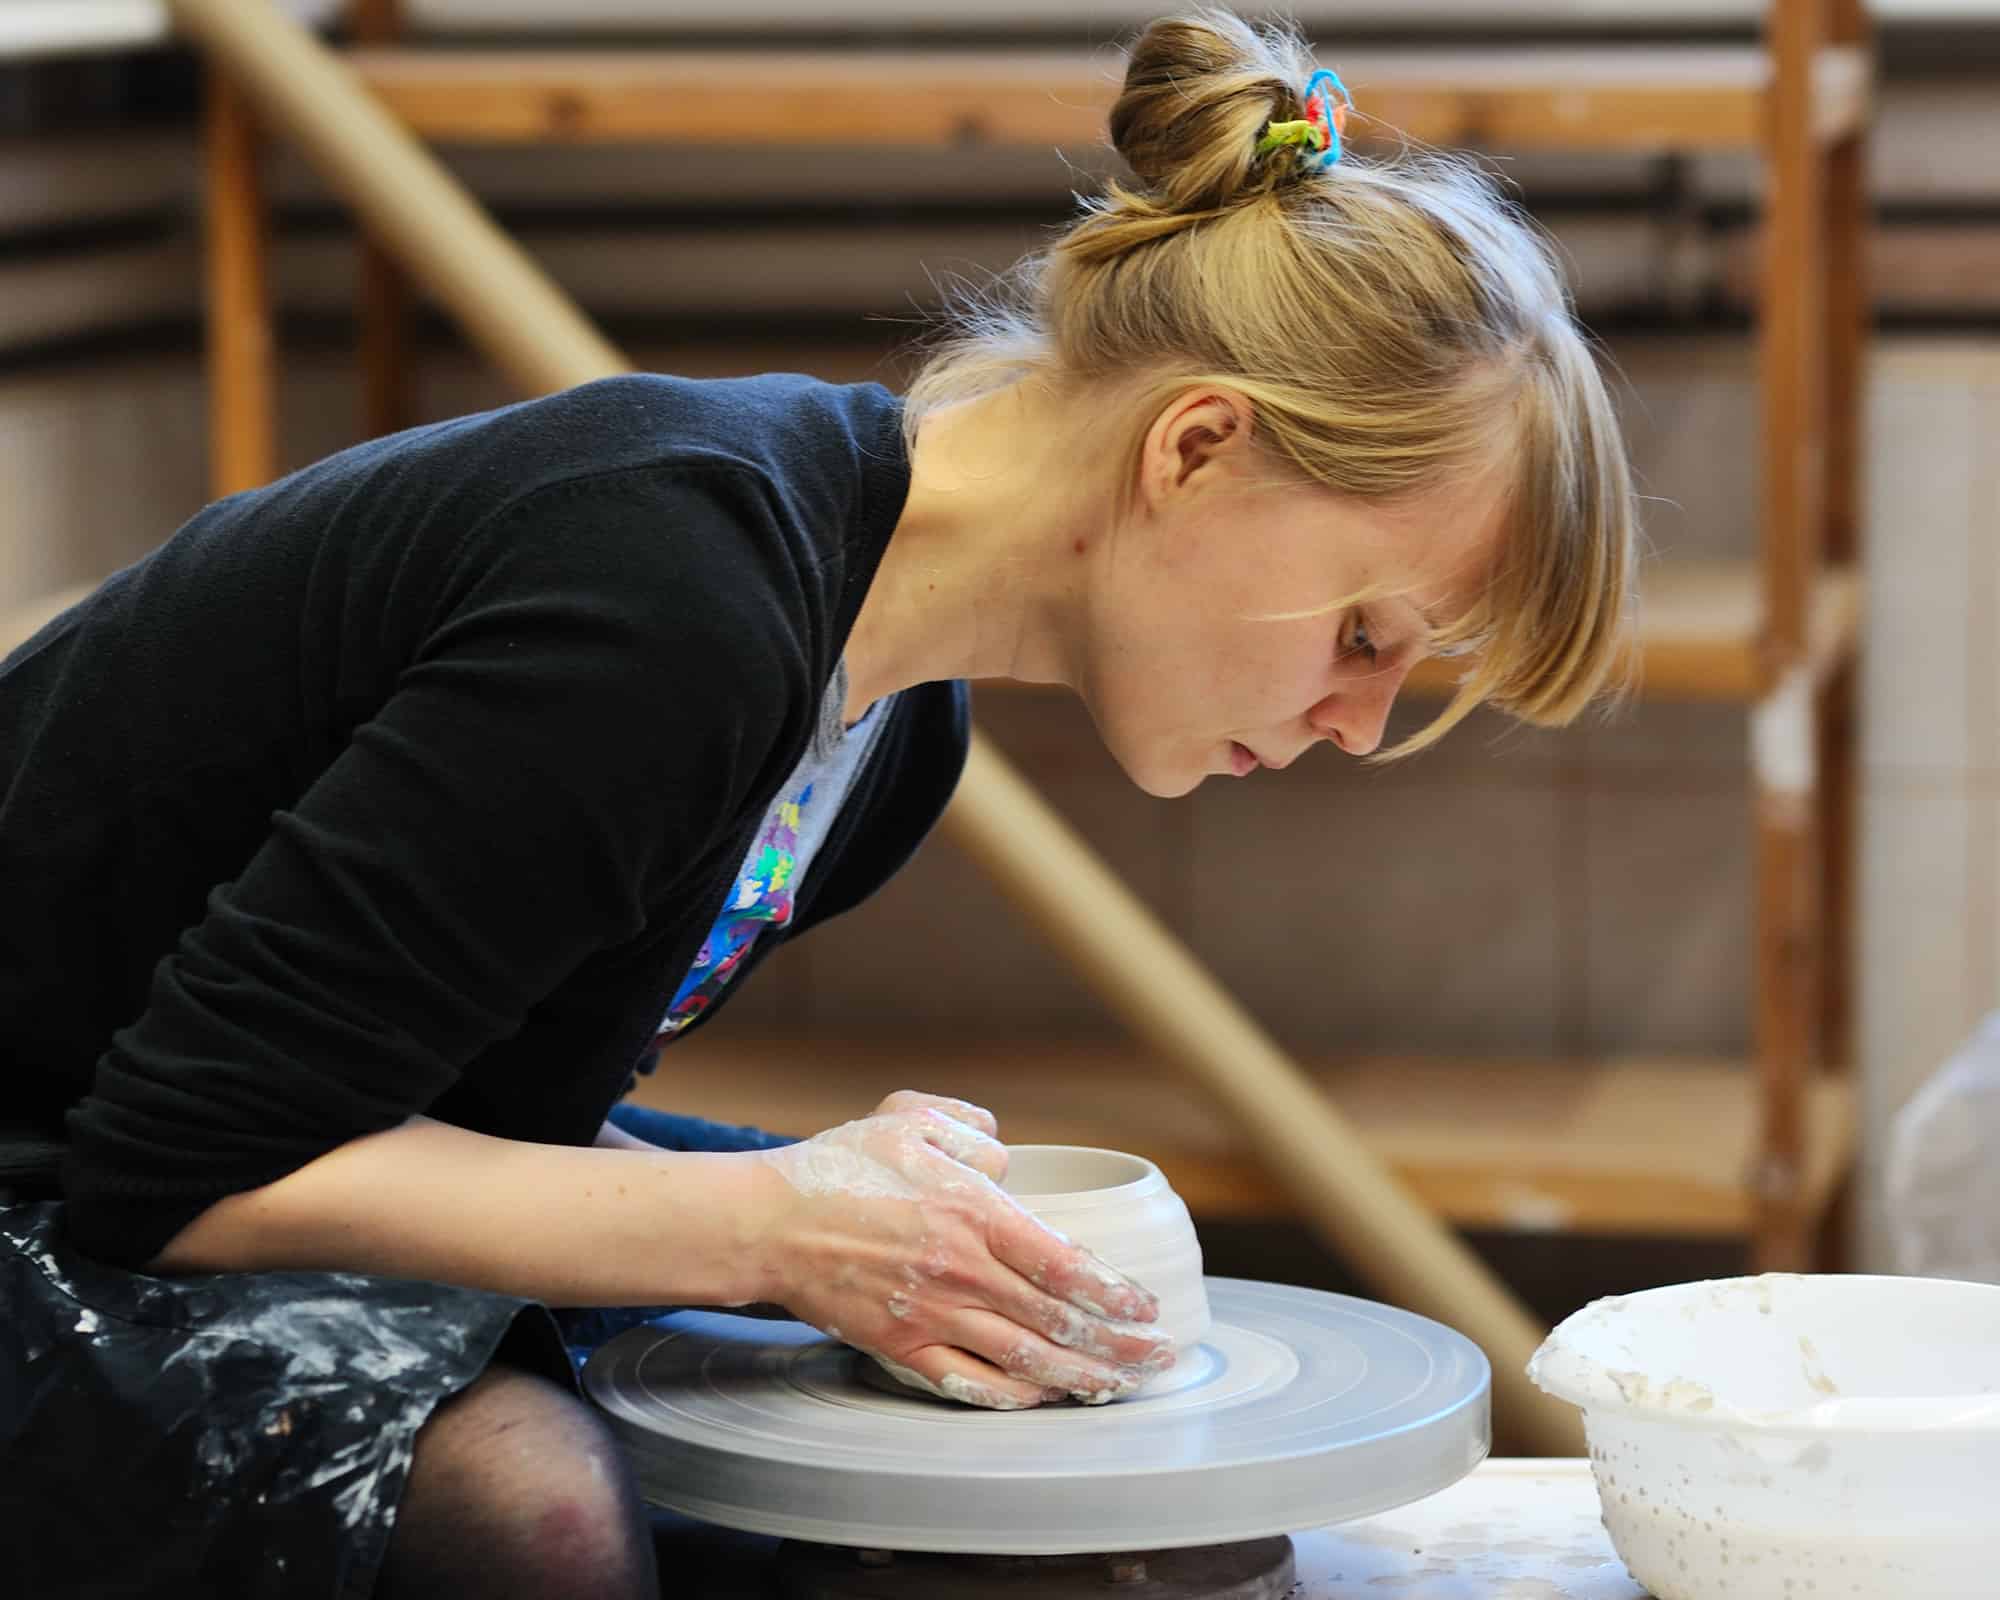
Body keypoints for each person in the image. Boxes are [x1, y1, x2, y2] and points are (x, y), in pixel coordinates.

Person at [0, 8, 1635, 1598]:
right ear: (1196, 449)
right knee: (525, 1509)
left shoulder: (891, 736)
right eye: (1369, 638)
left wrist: (864, 1216)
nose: (1356, 725)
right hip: (57, 1185)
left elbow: (457, 1115)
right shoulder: (672, 608)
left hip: (128, 1164)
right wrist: (772, 1222)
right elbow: (186, 1162)